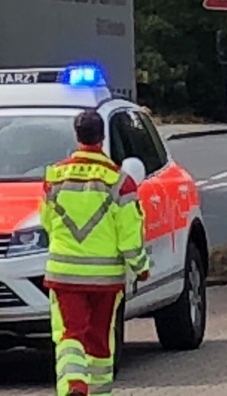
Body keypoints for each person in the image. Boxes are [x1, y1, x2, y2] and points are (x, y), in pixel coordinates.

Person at [41, 109, 150, 396]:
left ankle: (74, 387)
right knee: (100, 340)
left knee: (69, 336)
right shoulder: (119, 181)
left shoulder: (54, 177)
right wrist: (140, 266)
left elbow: (47, 222)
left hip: (64, 276)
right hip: (105, 279)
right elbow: (130, 234)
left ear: (77, 137)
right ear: (102, 138)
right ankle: (99, 392)